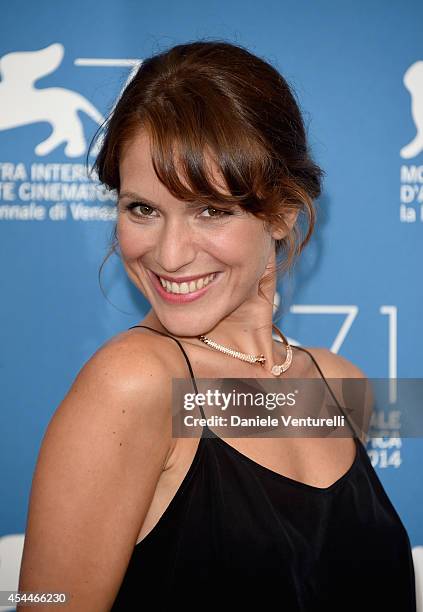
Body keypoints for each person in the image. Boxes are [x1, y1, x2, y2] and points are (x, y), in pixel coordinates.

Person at [18, 40, 416, 610]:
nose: (171, 254)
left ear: (282, 211)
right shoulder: (134, 384)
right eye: (143, 209)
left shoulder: (336, 385)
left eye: (210, 209)